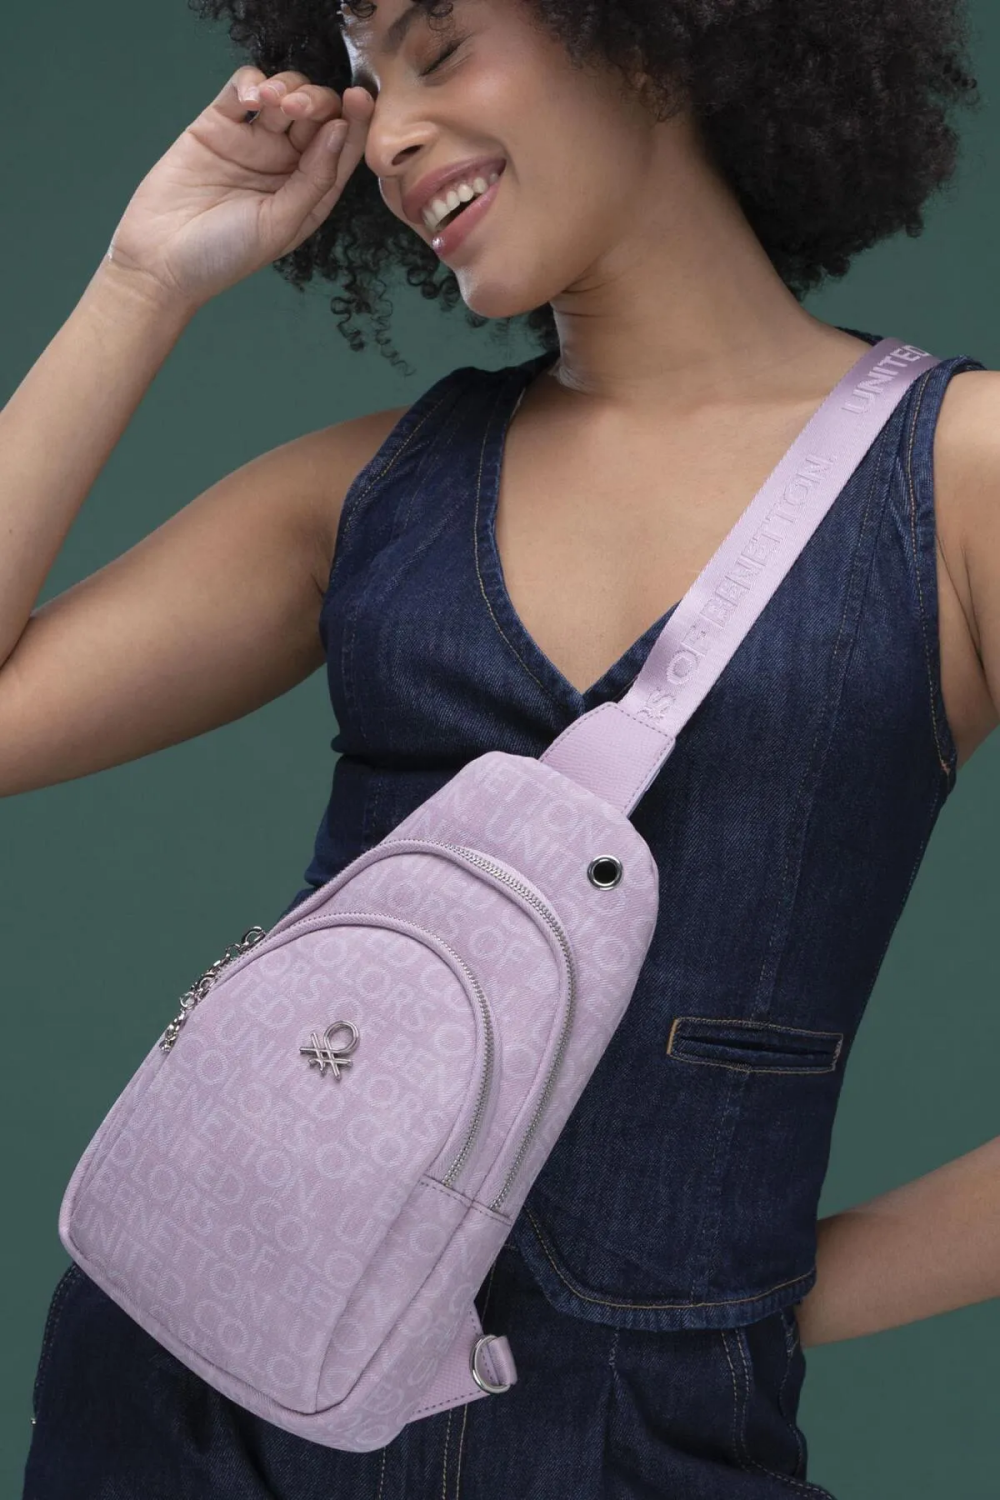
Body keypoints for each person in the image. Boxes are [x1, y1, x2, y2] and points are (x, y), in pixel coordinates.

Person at [8, 0, 999, 1494]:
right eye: (365, 80)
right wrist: (144, 280)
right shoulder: (369, 490)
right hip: (186, 1405)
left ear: (653, 38)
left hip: (627, 1441)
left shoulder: (961, 479)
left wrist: (754, 1309)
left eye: (440, 44)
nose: (390, 135)